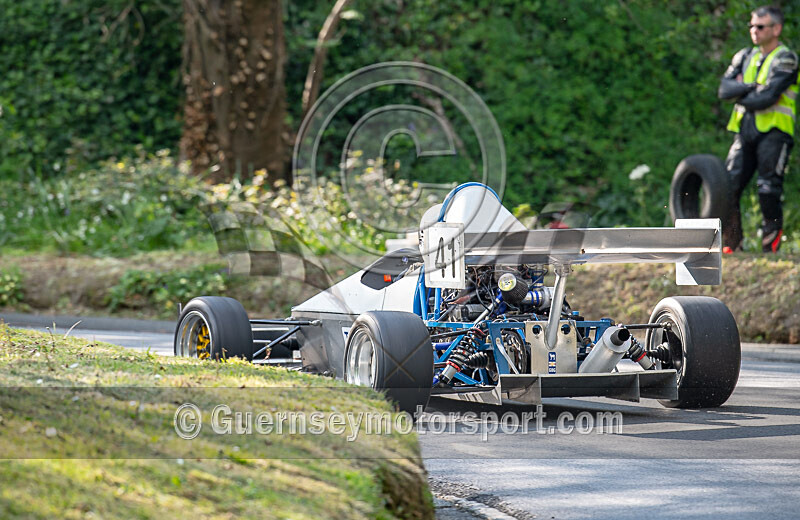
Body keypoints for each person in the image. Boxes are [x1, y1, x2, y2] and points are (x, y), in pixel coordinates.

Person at [718, 5, 798, 253]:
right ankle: (733, 245)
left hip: (774, 131)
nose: (754, 30)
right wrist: (752, 87)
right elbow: (724, 90)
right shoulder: (744, 56)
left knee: (768, 189)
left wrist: (741, 90)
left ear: (776, 29)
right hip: (744, 130)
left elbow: (768, 98)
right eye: (751, 25)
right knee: (727, 187)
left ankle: (769, 248)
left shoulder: (786, 58)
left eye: (760, 26)